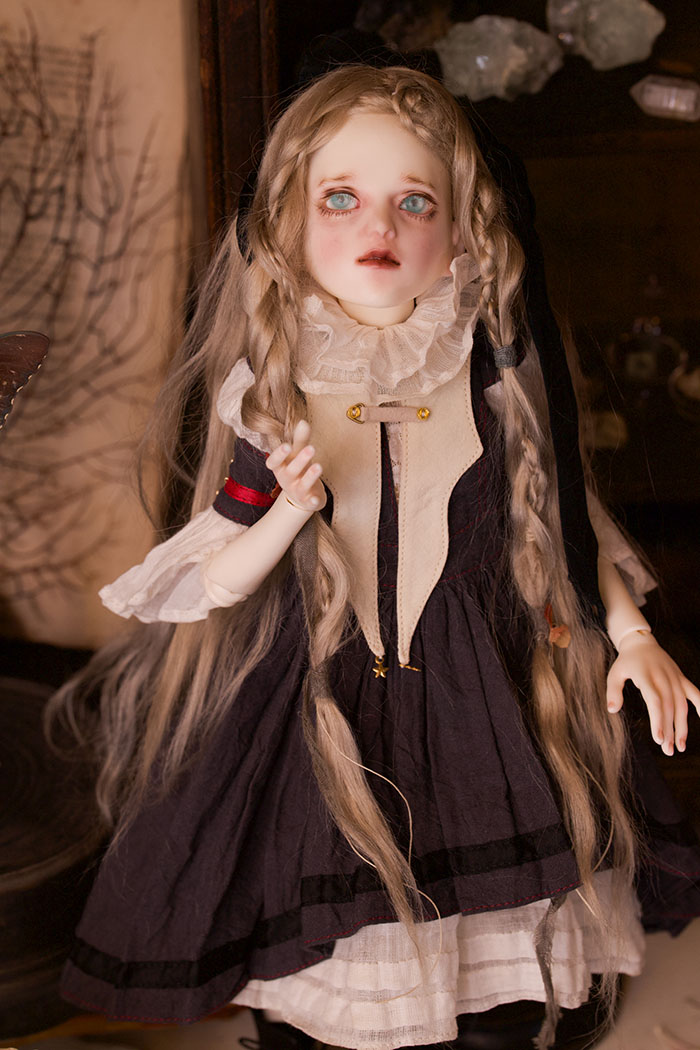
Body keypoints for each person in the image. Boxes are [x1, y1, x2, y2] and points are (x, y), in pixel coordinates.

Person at [54, 65, 700, 1050]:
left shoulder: (492, 371)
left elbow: (560, 519)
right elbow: (218, 576)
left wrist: (633, 634)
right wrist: (289, 512)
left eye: (415, 201)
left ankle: (503, 1012)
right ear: (285, 224)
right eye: (341, 198)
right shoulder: (273, 389)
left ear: (465, 232)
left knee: (504, 868)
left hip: (487, 679)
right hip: (324, 688)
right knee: (331, 873)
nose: (380, 226)